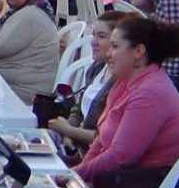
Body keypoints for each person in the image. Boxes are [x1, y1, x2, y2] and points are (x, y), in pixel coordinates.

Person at [74, 17, 179, 188]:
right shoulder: (126, 82)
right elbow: (101, 141)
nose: (108, 53)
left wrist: (75, 176)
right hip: (115, 183)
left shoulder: (150, 93)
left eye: (116, 46)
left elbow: (120, 156)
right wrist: (80, 174)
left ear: (138, 52)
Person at [48, 11, 137, 155]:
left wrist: (69, 131)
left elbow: (105, 138)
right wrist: (69, 135)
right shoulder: (97, 67)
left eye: (101, 36)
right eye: (93, 35)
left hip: (92, 153)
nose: (93, 42)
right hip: (75, 143)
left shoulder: (122, 81)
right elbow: (77, 108)